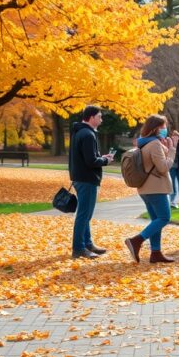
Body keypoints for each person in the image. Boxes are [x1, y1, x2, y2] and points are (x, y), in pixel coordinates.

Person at [124, 115, 177, 263]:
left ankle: (156, 252)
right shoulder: (154, 144)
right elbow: (163, 167)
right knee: (164, 218)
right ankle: (136, 241)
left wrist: (165, 146)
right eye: (163, 127)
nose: (165, 130)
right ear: (155, 129)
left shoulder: (144, 143)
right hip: (156, 188)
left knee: (156, 220)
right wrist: (172, 150)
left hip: (145, 189)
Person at [69, 105, 114, 259]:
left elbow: (87, 157)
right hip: (86, 179)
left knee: (84, 214)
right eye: (100, 117)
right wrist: (105, 161)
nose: (101, 120)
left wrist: (102, 157)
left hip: (80, 178)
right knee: (84, 215)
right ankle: (79, 248)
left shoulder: (79, 132)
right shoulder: (88, 134)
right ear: (92, 117)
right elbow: (91, 161)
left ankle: (87, 243)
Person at [169, 130, 179, 209]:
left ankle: (173, 201)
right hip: (171, 167)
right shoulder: (170, 144)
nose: (175, 137)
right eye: (174, 136)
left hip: (178, 167)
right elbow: (170, 154)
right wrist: (173, 146)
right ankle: (172, 201)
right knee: (173, 185)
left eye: (177, 136)